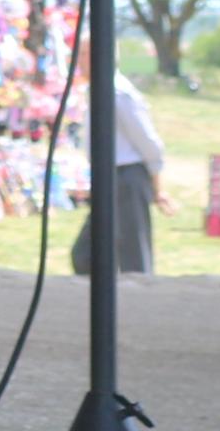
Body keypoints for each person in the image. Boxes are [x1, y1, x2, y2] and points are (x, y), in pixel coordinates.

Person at [67, 60, 162, 282]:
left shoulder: (119, 93)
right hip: (107, 176)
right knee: (85, 254)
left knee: (134, 256)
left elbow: (147, 140)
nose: (81, 61)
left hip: (127, 174)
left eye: (85, 54)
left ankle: (140, 304)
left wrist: (156, 180)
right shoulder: (97, 89)